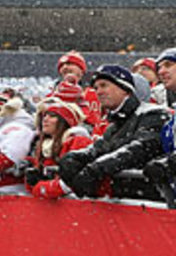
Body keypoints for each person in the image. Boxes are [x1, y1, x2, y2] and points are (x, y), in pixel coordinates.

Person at [56, 64, 167, 199]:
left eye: (104, 85)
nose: (98, 92)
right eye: (96, 88)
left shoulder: (152, 114)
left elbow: (140, 149)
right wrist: (73, 158)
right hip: (124, 200)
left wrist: (97, 169)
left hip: (151, 200)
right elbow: (97, 150)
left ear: (125, 90)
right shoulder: (114, 125)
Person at [25, 102, 93, 198]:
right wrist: (33, 181)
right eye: (45, 115)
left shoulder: (79, 141)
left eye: (52, 116)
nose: (45, 119)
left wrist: (41, 187)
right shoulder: (45, 146)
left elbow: (71, 184)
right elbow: (36, 191)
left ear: (64, 121)